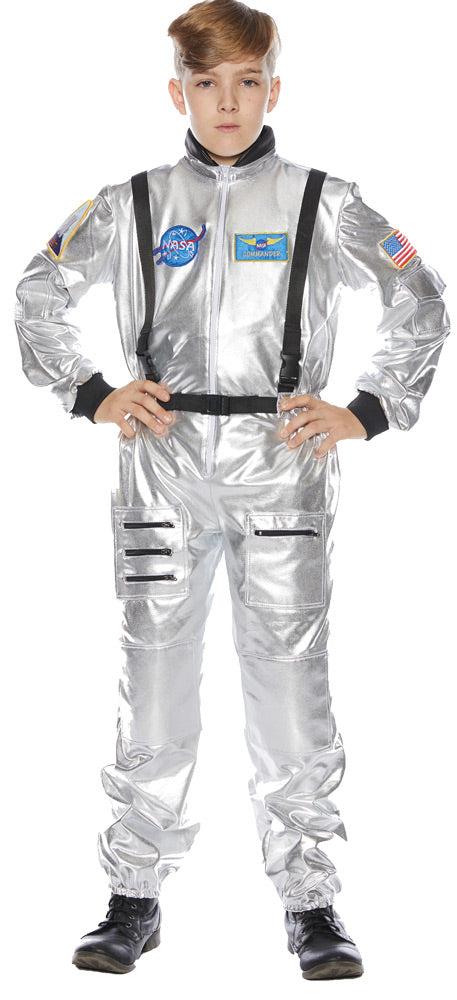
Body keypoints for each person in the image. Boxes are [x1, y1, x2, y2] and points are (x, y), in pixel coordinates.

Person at [14, 0, 450, 982]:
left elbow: (418, 293)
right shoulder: (131, 203)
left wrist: (368, 409)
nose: (226, 102)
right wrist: (91, 392)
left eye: (246, 82)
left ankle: (311, 902)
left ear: (272, 89)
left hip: (281, 461)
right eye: (205, 83)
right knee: (153, 680)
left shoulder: (321, 203)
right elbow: (37, 291)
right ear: (176, 93)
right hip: (161, 460)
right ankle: (133, 894)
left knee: (291, 685)